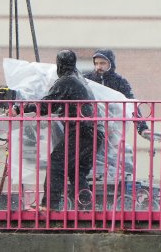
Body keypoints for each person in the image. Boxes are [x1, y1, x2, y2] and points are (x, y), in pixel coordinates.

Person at [11, 50, 104, 210]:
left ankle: (49, 205)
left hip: (82, 131)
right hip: (94, 132)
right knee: (76, 172)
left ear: (59, 64)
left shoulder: (67, 81)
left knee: (57, 162)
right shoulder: (79, 78)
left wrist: (20, 108)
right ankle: (86, 209)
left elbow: (47, 105)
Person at [84, 49, 150, 137]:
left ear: (110, 63)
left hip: (113, 127)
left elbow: (131, 104)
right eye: (96, 63)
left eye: (102, 63)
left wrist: (142, 128)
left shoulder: (119, 81)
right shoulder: (87, 79)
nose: (99, 66)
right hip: (90, 125)